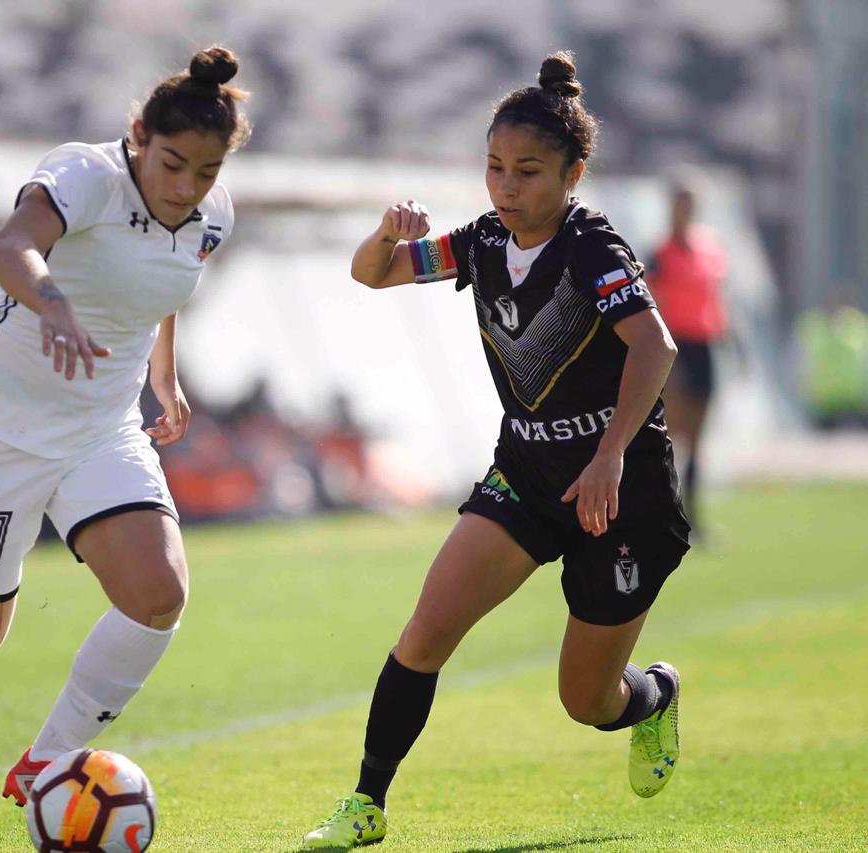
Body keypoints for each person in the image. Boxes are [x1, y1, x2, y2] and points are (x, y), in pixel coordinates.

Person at [301, 52, 691, 849]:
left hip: (622, 494)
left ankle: (654, 695)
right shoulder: (480, 243)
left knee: (585, 700)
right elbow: (372, 274)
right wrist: (385, 235)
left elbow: (656, 348)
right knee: (425, 632)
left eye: (528, 173)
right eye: (493, 169)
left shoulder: (592, 249)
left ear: (573, 173)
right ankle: (365, 802)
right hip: (525, 478)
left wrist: (612, 452)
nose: (506, 189)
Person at [0, 47, 248, 812]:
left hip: (100, 428)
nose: (186, 189)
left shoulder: (213, 215)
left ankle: (48, 761)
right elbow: (9, 247)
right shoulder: (85, 175)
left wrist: (163, 372)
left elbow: (164, 280)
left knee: (159, 592)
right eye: (173, 163)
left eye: (206, 173)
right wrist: (52, 302)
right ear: (139, 137)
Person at [645, 179, 728, 529]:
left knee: (697, 436)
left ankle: (693, 515)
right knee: (670, 433)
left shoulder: (710, 248)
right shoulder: (659, 254)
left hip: (705, 345)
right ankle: (665, 512)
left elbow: (718, 299)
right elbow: (652, 306)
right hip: (675, 346)